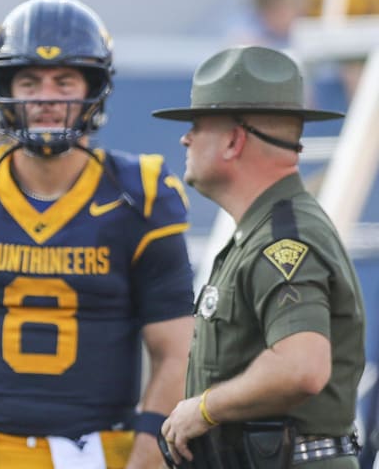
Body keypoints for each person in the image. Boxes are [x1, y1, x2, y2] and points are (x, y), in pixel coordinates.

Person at [0, 0, 195, 468]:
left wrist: (148, 454)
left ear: (94, 88)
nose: (46, 97)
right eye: (29, 81)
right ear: (5, 88)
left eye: (64, 81)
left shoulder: (140, 192)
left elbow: (176, 351)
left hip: (104, 448)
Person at [155, 45, 366, 469]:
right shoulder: (262, 232)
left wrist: (203, 408)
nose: (186, 138)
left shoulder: (283, 240)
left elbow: (301, 366)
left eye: (197, 125)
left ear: (234, 140)